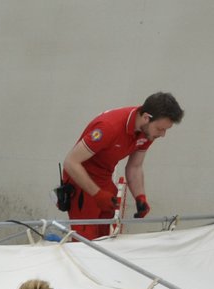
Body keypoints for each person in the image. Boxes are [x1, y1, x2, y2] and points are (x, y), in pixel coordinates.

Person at [58, 92, 183, 239]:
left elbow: (134, 166)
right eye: (160, 129)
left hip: (104, 178)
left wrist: (140, 197)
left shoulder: (147, 131)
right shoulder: (109, 127)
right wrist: (97, 193)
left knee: (104, 236)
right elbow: (71, 162)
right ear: (146, 117)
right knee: (85, 239)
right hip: (81, 179)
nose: (162, 135)